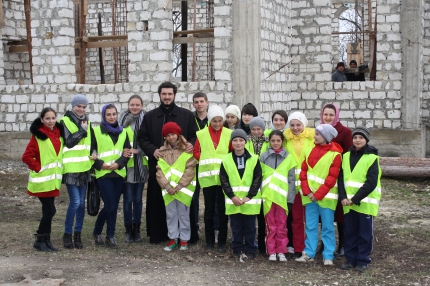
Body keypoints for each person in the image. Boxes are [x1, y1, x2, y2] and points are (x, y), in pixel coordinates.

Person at [137, 82, 197, 244]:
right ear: (159, 95)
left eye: (170, 94)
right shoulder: (150, 117)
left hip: (181, 169)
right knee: (159, 200)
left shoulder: (186, 115)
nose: (167, 97)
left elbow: (194, 135)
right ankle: (160, 235)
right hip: (160, 168)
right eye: (164, 94)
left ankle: (185, 237)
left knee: (183, 202)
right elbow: (142, 138)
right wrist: (152, 150)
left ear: (175, 95)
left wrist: (191, 143)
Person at [295, 124, 342, 266]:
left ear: (326, 137)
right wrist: (308, 192)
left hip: (326, 198)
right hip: (310, 197)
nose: (314, 136)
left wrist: (317, 194)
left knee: (327, 227)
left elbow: (331, 178)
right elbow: (303, 173)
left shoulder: (335, 155)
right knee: (310, 225)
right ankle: (309, 253)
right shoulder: (309, 151)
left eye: (317, 134)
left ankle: (328, 255)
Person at [338, 127, 381, 272]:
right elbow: (341, 179)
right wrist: (343, 197)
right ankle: (351, 259)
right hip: (348, 203)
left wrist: (355, 199)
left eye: (361, 138)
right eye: (355, 137)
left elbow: (371, 182)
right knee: (350, 232)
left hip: (364, 203)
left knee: (364, 233)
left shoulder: (372, 158)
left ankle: (362, 260)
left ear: (366, 140)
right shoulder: (345, 156)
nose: (357, 140)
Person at [22, 107, 63, 252]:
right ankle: (40, 238)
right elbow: (26, 157)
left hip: (52, 181)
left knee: (47, 209)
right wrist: (38, 168)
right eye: (47, 118)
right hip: (41, 181)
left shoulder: (58, 133)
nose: (51, 121)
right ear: (42, 120)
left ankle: (46, 241)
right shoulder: (38, 136)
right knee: (50, 210)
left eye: (53, 118)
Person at [194, 105, 232, 253]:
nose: (217, 124)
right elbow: (196, 151)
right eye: (214, 121)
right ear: (210, 120)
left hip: (224, 179)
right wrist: (203, 159)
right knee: (209, 210)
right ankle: (209, 241)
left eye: (219, 121)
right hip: (208, 178)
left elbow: (231, 151)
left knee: (223, 210)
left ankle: (222, 241)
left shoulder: (229, 133)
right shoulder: (201, 134)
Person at [92, 104, 131, 247]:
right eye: (108, 114)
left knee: (113, 205)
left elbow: (127, 153)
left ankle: (109, 235)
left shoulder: (123, 132)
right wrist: (100, 164)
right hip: (103, 173)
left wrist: (119, 163)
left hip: (118, 173)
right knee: (110, 205)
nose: (112, 117)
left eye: (114, 114)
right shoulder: (96, 132)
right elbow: (91, 152)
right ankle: (102, 232)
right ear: (103, 116)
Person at [220, 129, 262, 259]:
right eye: (235, 140)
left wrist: (248, 196)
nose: (238, 143)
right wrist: (232, 196)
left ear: (245, 142)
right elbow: (223, 179)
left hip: (249, 201)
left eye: (241, 140)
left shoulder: (254, 159)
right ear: (231, 142)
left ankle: (251, 249)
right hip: (233, 201)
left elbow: (257, 178)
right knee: (236, 227)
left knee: (250, 227)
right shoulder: (226, 159)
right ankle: (237, 248)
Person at [156, 122, 196, 251]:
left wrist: (179, 186)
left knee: (184, 215)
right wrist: (167, 186)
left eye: (173, 134)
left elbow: (190, 169)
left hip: (183, 189)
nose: (171, 137)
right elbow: (159, 170)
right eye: (168, 135)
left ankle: (184, 240)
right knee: (171, 214)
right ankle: (173, 238)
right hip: (168, 190)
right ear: (165, 137)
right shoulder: (162, 151)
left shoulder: (186, 149)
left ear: (178, 134)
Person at [320, 103, 352, 257]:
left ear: (336, 116)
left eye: (331, 115)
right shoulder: (318, 131)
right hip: (321, 176)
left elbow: (349, 154)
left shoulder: (345, 132)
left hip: (338, 175)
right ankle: (325, 244)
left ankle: (343, 244)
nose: (328, 117)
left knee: (340, 212)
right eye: (325, 114)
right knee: (323, 212)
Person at [60, 94, 92, 249]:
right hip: (71, 168)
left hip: (84, 168)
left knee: (81, 205)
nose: (81, 109)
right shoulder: (64, 121)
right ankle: (67, 234)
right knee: (75, 202)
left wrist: (93, 153)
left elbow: (89, 143)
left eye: (84, 107)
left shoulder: (87, 122)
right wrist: (82, 130)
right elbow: (69, 142)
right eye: (78, 106)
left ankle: (77, 234)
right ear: (72, 106)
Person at [259, 130, 295, 262]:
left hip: (282, 198)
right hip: (268, 197)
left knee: (281, 225)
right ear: (269, 141)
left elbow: (291, 180)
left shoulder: (288, 157)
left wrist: (290, 198)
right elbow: (259, 177)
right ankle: (272, 250)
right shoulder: (264, 157)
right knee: (270, 225)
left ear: (282, 142)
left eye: (278, 140)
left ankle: (281, 250)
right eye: (273, 140)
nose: (275, 143)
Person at [284, 112, 315, 258]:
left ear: (304, 124)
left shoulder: (312, 139)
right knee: (296, 218)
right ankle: (298, 246)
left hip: (308, 186)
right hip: (293, 186)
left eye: (298, 125)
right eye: (292, 125)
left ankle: (310, 247)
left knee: (309, 219)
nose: (295, 128)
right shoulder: (286, 140)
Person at [119, 95, 149, 243]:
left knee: (138, 199)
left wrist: (139, 151)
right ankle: (128, 230)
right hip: (126, 165)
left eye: (138, 104)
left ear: (142, 105)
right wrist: (123, 151)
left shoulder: (146, 119)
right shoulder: (122, 119)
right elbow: (117, 139)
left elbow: (150, 140)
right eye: (132, 104)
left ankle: (137, 230)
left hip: (140, 166)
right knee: (127, 199)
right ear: (128, 105)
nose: (135, 107)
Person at [246, 116, 269, 255]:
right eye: (253, 129)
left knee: (262, 215)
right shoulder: (246, 141)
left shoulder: (268, 142)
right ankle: (250, 242)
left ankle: (262, 244)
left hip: (265, 180)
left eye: (258, 129)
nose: (256, 132)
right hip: (250, 179)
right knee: (250, 213)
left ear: (263, 129)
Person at [191, 92, 209, 232]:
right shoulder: (190, 119)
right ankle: (195, 224)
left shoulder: (214, 119)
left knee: (210, 197)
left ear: (207, 102)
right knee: (194, 195)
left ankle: (212, 226)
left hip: (210, 164)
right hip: (194, 163)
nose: (199, 104)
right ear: (193, 104)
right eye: (196, 102)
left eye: (201, 101)